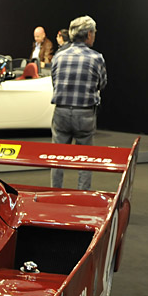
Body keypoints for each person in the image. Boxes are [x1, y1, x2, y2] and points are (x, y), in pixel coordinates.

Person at [49, 15, 106, 190]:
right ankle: (83, 197)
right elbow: (102, 84)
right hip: (85, 114)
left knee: (57, 158)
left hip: (61, 112)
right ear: (89, 34)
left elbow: (54, 82)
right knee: (85, 159)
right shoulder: (96, 58)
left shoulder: (59, 56)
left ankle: (54, 193)